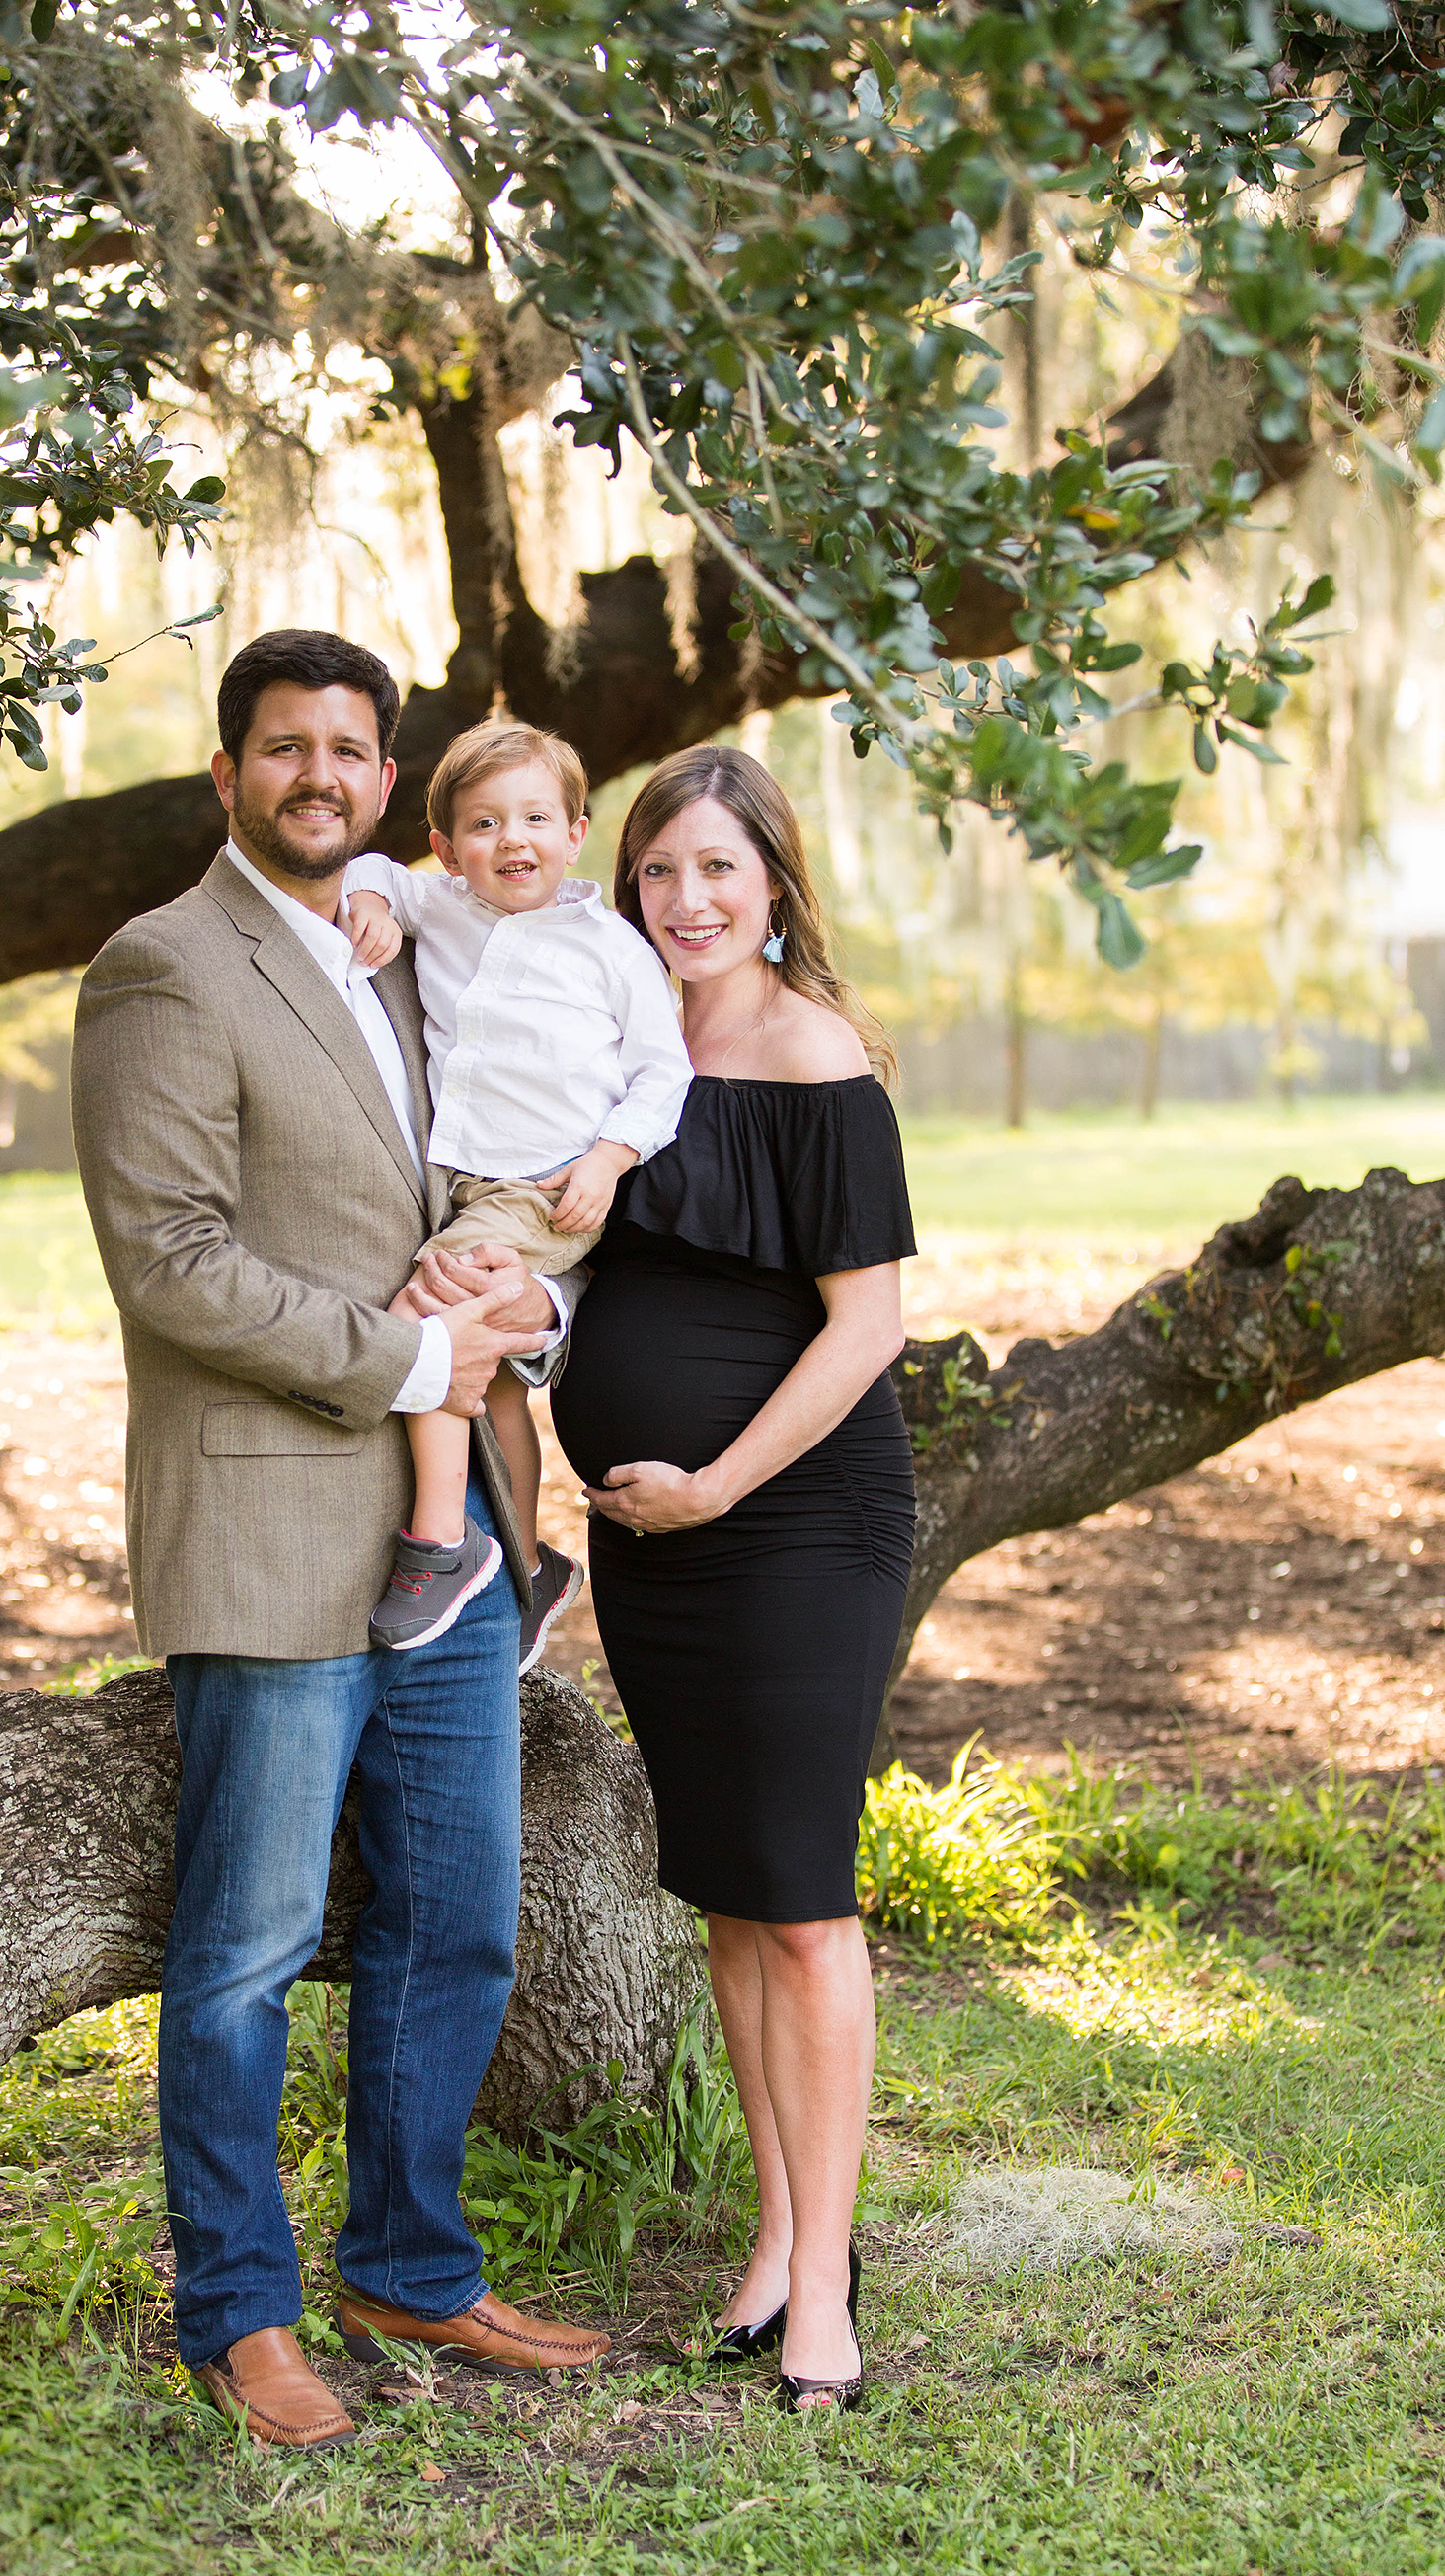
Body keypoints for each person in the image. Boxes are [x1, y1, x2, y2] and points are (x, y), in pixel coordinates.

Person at [70, 626, 610, 2453]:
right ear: (226, 775)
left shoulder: (408, 957)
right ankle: (241, 2314)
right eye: (285, 746)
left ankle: (411, 2265)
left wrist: (530, 1318)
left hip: (453, 1549)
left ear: (390, 783)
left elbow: (487, 1187)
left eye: (350, 749)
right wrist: (411, 1360)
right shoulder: (163, 967)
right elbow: (171, 1263)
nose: (320, 775)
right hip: (272, 1525)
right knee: (246, 1947)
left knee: (457, 1924)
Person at [550, 742, 915, 2413]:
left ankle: (827, 2284)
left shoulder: (813, 1056)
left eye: (716, 868)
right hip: (659, 1551)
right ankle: (775, 2237)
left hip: (793, 1524)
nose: (685, 900)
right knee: (730, 1897)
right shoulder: (622, 1048)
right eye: (658, 871)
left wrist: (715, 1485)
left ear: (771, 882)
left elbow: (867, 1326)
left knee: (805, 1900)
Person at [339, 721, 692, 1670]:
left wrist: (609, 1160)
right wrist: (368, 900)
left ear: (576, 833)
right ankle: (531, 1568)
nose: (513, 840)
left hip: (547, 1189)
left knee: (427, 1319)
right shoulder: (441, 904)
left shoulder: (612, 949)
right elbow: (373, 868)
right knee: (494, 1381)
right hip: (462, 1182)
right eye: (485, 824)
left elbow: (664, 1072)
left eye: (536, 818)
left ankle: (437, 1541)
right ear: (448, 846)